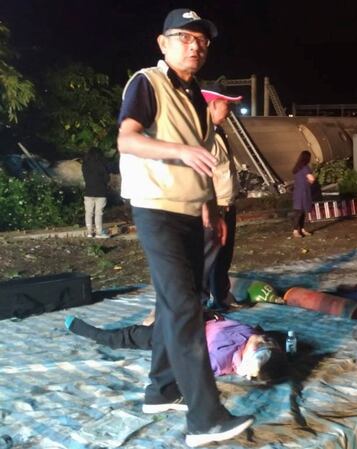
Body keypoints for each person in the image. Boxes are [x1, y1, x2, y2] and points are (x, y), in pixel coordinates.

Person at [116, 8, 253, 445]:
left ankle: (161, 389)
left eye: (202, 41)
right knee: (184, 309)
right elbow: (127, 138)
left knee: (181, 301)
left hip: (191, 211)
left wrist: (211, 207)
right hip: (157, 209)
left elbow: (202, 159)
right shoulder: (147, 83)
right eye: (185, 38)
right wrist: (179, 151)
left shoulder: (195, 95)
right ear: (163, 43)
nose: (195, 46)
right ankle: (205, 419)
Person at [64, 315, 285, 380]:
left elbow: (189, 367)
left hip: (175, 336)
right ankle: (155, 317)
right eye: (269, 341)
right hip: (198, 317)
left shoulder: (222, 360)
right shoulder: (252, 335)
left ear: (249, 359)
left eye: (262, 344)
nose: (265, 339)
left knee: (131, 335)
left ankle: (89, 332)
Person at [200, 84, 243, 310]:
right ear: (213, 104)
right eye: (228, 104)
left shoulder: (219, 132)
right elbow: (200, 175)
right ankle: (202, 305)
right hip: (214, 207)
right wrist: (209, 209)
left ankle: (220, 296)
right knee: (210, 257)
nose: (230, 110)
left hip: (227, 204)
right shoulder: (203, 135)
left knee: (223, 256)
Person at [82, 147, 110, 238]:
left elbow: (85, 177)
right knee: (99, 213)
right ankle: (99, 233)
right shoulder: (102, 164)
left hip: (88, 191)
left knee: (88, 213)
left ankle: (89, 232)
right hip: (101, 192)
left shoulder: (85, 165)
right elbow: (107, 178)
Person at [291, 150, 315, 238]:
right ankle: (296, 231)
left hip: (297, 192)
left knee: (300, 211)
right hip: (303, 192)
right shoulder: (305, 168)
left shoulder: (297, 168)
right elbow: (311, 179)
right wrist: (309, 181)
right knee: (299, 212)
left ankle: (301, 229)